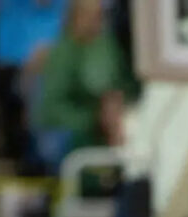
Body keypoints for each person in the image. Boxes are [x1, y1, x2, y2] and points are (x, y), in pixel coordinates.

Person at [32, 0, 137, 172]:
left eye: (99, 17)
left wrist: (117, 106)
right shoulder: (61, 53)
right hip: (67, 129)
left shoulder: (107, 48)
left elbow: (122, 85)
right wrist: (93, 120)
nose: (96, 22)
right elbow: (51, 108)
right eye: (90, 17)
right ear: (75, 18)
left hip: (107, 125)